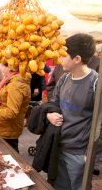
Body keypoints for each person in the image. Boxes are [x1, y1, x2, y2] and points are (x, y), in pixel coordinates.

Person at [47, 33, 98, 190]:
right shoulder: (64, 78)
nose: (60, 58)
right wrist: (49, 114)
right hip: (58, 145)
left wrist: (91, 157)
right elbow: (53, 103)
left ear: (77, 59)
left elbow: (99, 126)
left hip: (78, 153)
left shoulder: (95, 83)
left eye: (64, 55)